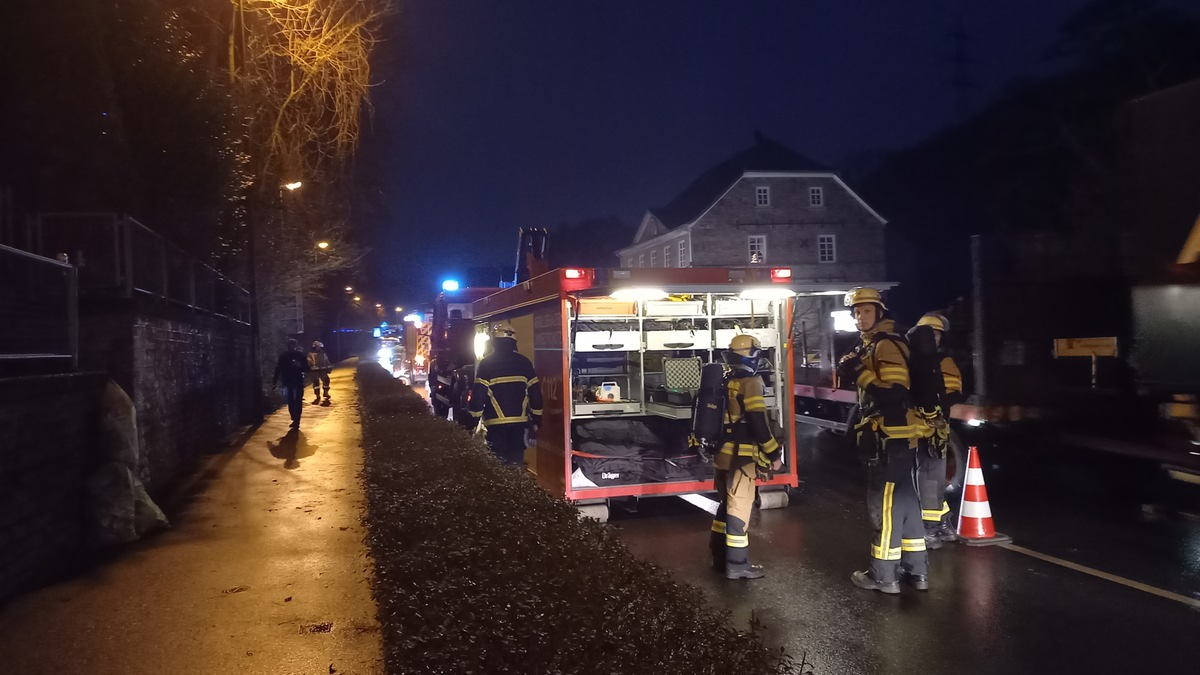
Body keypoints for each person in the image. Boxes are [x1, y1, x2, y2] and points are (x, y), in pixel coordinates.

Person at [837, 287, 928, 594]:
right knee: (906, 502)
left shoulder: (885, 346)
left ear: (880, 313)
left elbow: (894, 392)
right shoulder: (874, 344)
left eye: (866, 311)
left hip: (888, 436)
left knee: (885, 505)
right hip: (899, 436)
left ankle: (883, 575)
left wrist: (858, 372)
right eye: (856, 312)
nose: (859, 316)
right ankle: (917, 571)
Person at [710, 334, 783, 580]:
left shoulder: (726, 378)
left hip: (722, 454)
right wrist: (774, 453)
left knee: (725, 505)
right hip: (741, 458)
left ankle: (719, 557)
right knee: (738, 509)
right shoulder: (750, 382)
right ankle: (738, 564)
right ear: (752, 354)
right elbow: (757, 423)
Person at [908, 313, 964, 549]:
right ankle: (942, 524)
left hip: (933, 430)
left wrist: (933, 407)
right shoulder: (914, 361)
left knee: (930, 478)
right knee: (925, 477)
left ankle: (930, 530)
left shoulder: (944, 362)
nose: (932, 338)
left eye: (936, 334)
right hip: (916, 429)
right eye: (928, 334)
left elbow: (952, 393)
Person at [468, 321, 542, 465]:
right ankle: (517, 484)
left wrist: (473, 420)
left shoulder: (486, 364)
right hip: (519, 424)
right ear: (513, 341)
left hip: (495, 425)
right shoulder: (524, 362)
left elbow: (478, 396)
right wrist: (536, 421)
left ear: (494, 342)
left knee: (498, 464)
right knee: (516, 462)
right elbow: (536, 394)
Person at [273, 338, 309, 429]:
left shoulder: (300, 355)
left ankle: (297, 420)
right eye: (290, 345)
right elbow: (278, 369)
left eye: (293, 345)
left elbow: (307, 368)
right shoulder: (284, 356)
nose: (292, 347)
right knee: (290, 401)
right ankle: (294, 417)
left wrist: (300, 366)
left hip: (297, 381)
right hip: (288, 381)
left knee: (297, 401)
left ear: (295, 346)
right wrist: (274, 382)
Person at [307, 340, 332, 405]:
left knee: (326, 381)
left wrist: (329, 368)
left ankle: (325, 393)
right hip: (315, 371)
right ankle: (318, 396)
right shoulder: (310, 354)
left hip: (321, 370)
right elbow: (308, 362)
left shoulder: (322, 353)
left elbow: (326, 361)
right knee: (316, 385)